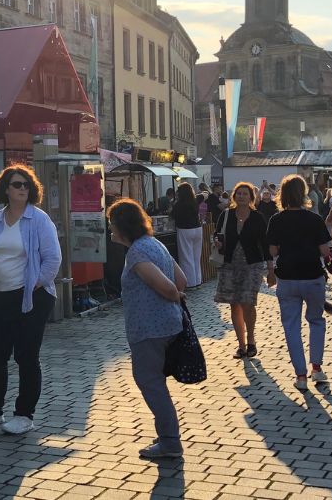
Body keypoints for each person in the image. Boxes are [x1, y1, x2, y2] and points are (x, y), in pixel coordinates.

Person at [0, 164, 59, 436]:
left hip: (32, 297)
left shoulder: (38, 220)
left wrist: (35, 283)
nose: (22, 189)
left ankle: (24, 414)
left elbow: (53, 259)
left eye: (26, 185)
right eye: (17, 184)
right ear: (5, 188)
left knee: (26, 356)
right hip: (1, 295)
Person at [107, 198, 187, 460]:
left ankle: (169, 441)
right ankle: (167, 435)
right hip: (168, 324)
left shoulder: (137, 253)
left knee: (150, 383)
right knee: (155, 382)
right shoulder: (156, 244)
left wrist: (174, 296)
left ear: (122, 226)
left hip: (149, 328)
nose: (110, 229)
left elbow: (169, 287)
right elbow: (182, 278)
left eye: (112, 223)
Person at [266, 176, 332, 390]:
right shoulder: (314, 219)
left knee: (291, 327)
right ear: (303, 193)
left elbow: (273, 250)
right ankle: (317, 368)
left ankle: (301, 375)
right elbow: (325, 250)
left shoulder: (276, 220)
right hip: (313, 277)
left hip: (287, 278)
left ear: (282, 195)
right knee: (316, 321)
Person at [212, 182, 272, 358]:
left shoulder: (257, 217)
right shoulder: (226, 215)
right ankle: (241, 344)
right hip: (229, 263)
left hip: (251, 264)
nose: (241, 196)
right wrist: (217, 241)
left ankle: (251, 340)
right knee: (234, 303)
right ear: (234, 196)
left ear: (251, 198)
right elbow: (217, 233)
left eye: (245, 194)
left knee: (248, 302)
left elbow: (265, 243)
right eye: (238, 193)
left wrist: (270, 269)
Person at [171, 182, 203, 287]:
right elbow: (206, 193)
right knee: (196, 257)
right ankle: (198, 280)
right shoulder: (195, 201)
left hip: (185, 229)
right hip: (198, 229)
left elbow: (172, 216)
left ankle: (190, 283)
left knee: (186, 257)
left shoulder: (178, 204)